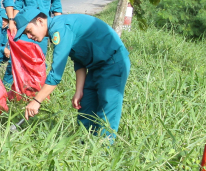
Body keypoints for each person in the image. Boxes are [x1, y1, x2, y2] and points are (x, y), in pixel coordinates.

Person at [22, 11, 130, 140]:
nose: (28, 36)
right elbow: (79, 59)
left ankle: (103, 152)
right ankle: (84, 148)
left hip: (113, 62)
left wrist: (36, 101)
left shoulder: (59, 29)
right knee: (86, 108)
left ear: (40, 21)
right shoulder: (57, 28)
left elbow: (56, 74)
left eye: (29, 30)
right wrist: (79, 90)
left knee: (107, 111)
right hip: (95, 66)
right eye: (25, 34)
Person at [5, 0, 63, 86]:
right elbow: (18, 3)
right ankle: (8, 90)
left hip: (42, 30)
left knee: (39, 61)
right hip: (25, 28)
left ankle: (35, 90)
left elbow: (56, 7)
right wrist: (12, 23)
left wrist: (59, 28)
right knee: (14, 61)